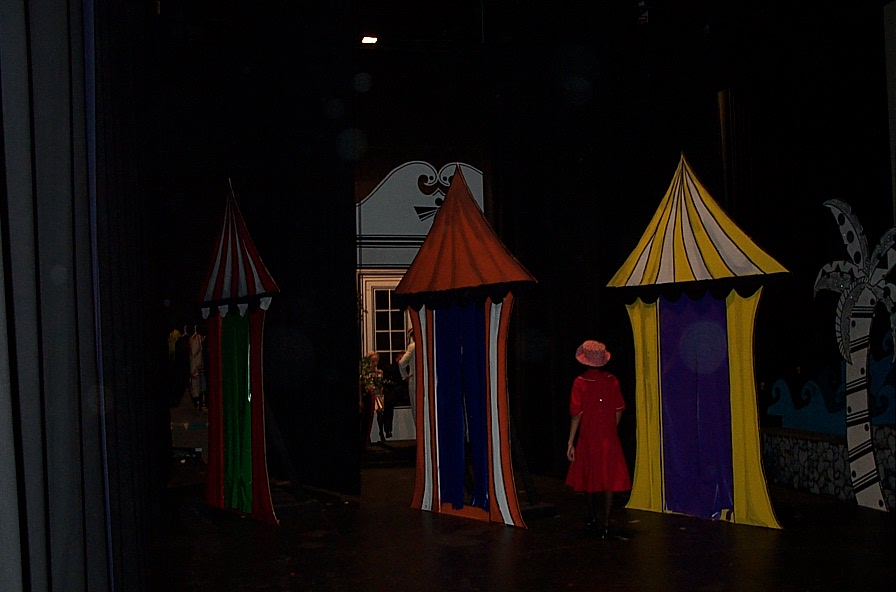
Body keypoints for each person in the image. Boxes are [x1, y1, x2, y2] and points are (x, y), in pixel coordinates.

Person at [565, 340, 631, 539]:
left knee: (589, 476)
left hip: (589, 436)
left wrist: (570, 441)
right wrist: (610, 428)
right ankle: (607, 522)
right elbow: (619, 409)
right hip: (609, 437)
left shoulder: (580, 382)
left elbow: (576, 414)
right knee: (610, 478)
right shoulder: (612, 380)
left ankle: (593, 516)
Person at [359, 350, 383, 448]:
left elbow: (380, 385)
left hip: (377, 395)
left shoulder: (379, 372)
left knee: (380, 412)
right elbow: (361, 386)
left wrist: (380, 394)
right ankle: (367, 436)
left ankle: (381, 432)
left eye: (376, 361)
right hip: (368, 396)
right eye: (373, 361)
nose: (375, 363)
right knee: (369, 416)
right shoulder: (365, 373)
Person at [398, 330, 417, 424]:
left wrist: (405, 376)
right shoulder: (428, 345)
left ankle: (418, 429)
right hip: (427, 380)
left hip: (414, 379)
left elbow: (401, 363)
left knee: (415, 407)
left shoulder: (412, 347)